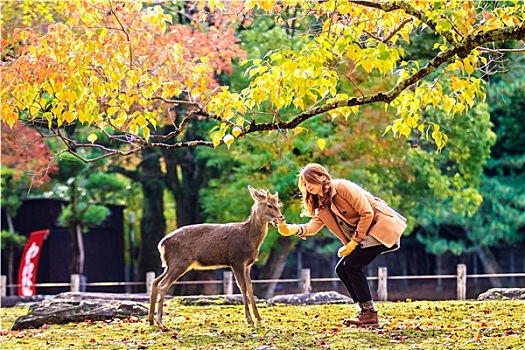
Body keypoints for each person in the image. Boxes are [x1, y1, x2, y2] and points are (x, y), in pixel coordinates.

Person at [278, 163, 407, 327]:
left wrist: (353, 243)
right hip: (365, 235)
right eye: (304, 183)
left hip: (380, 226)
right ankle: (365, 311)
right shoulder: (322, 206)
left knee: (352, 265)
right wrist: (291, 229)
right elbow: (312, 227)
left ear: (323, 177)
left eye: (310, 180)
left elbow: (367, 213)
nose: (308, 185)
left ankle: (370, 314)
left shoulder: (343, 187)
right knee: (342, 268)